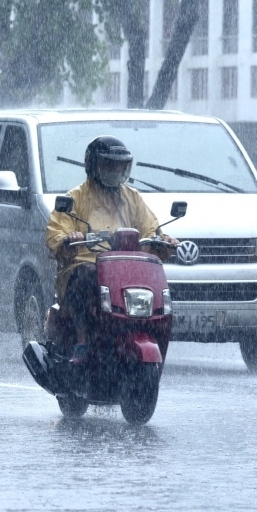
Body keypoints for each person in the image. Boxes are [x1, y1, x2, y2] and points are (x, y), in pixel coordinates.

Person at [45, 136, 179, 365]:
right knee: (86, 274)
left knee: (158, 288)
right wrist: (68, 238)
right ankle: (82, 341)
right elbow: (56, 232)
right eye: (109, 164)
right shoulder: (75, 198)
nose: (115, 170)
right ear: (93, 165)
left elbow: (150, 229)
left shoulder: (133, 198)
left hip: (125, 270)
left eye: (120, 165)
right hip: (85, 265)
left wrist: (163, 240)